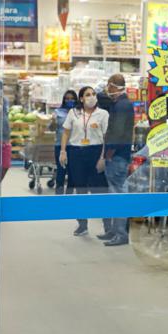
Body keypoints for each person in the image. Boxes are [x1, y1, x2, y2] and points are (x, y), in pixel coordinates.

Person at [59, 86, 109, 237]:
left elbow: (106, 138)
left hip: (95, 152)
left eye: (93, 94)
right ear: (81, 98)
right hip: (76, 153)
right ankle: (82, 224)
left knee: (100, 191)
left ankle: (108, 226)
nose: (92, 97)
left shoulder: (103, 114)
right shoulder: (73, 113)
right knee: (80, 189)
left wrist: (103, 157)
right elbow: (66, 132)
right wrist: (63, 151)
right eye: (88, 95)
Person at [97, 74, 135, 246]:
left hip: (118, 156)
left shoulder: (122, 106)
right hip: (118, 154)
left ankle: (121, 234)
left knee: (118, 195)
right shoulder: (120, 104)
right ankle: (114, 230)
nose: (107, 89)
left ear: (113, 87)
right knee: (113, 194)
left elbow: (118, 132)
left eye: (108, 86)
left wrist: (109, 154)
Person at [50, 90, 78, 193]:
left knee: (72, 173)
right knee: (61, 172)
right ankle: (59, 197)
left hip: (75, 146)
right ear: (64, 100)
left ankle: (69, 197)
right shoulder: (58, 112)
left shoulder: (79, 112)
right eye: (67, 99)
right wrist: (53, 121)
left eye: (72, 98)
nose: (69, 100)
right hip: (60, 146)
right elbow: (52, 129)